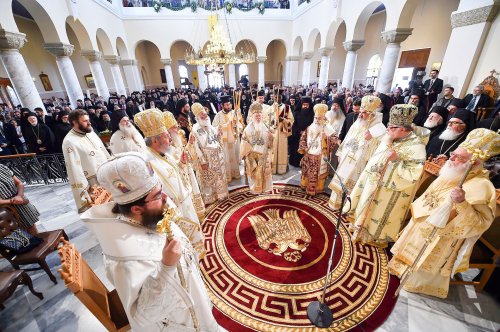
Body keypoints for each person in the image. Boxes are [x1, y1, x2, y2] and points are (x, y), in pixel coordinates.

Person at [81, 152, 221, 331]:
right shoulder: (124, 259)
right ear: (137, 208)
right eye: (158, 196)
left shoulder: (151, 217)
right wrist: (167, 267)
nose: (165, 198)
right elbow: (143, 318)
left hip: (195, 305)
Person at [388, 128, 499, 298]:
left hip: (443, 236)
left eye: (458, 157)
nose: (451, 158)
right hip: (423, 222)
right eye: (453, 154)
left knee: (422, 266)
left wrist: (462, 203)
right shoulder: (452, 170)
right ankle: (400, 267)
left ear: (475, 163)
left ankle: (418, 283)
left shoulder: (482, 186)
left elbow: (480, 223)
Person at [347, 104, 426, 247]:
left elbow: (414, 173)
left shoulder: (416, 146)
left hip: (388, 191)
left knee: (376, 214)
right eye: (388, 126)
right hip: (371, 182)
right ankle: (357, 228)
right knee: (364, 207)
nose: (387, 130)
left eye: (391, 127)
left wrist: (396, 161)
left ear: (402, 129)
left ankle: (371, 237)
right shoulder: (390, 137)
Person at [134, 108, 205, 258]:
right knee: (184, 247)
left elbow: (174, 172)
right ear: (155, 140)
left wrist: (181, 163)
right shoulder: (147, 162)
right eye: (166, 136)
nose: (171, 140)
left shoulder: (163, 153)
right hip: (176, 211)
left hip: (185, 203)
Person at [328, 96, 385, 209]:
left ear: (372, 115)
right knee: (340, 181)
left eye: (364, 113)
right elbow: (347, 138)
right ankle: (336, 203)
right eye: (360, 112)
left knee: (353, 187)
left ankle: (348, 207)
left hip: (360, 164)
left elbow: (377, 150)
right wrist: (340, 153)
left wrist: (371, 139)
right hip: (346, 158)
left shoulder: (379, 129)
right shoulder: (358, 123)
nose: (360, 115)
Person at [62, 109, 111, 213]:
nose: (89, 123)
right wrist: (84, 191)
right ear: (75, 123)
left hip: (107, 175)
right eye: (85, 121)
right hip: (93, 183)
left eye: (88, 120)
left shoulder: (90, 131)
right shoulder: (69, 142)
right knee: (104, 211)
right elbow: (74, 169)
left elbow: (103, 150)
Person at [163, 110, 205, 219]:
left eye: (177, 126)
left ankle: (198, 214)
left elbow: (186, 151)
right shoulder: (165, 146)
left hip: (187, 170)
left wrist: (190, 143)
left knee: (194, 192)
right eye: (174, 127)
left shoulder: (180, 135)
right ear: (167, 131)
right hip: (179, 175)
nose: (177, 128)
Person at [188, 102, 229, 204]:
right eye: (202, 116)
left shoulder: (210, 126)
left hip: (218, 157)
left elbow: (216, 139)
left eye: (206, 115)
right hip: (207, 159)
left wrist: (219, 134)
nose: (205, 117)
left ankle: (221, 195)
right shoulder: (195, 130)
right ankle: (211, 198)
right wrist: (202, 161)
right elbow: (195, 147)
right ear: (197, 118)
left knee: (219, 177)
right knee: (209, 180)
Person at [298, 103, 338, 196]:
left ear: (324, 118)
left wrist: (326, 138)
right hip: (309, 154)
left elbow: (335, 139)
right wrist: (304, 148)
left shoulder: (328, 128)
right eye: (315, 118)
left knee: (317, 174)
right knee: (308, 172)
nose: (317, 120)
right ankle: (305, 186)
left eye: (319, 118)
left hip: (320, 156)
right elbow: (303, 137)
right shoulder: (311, 126)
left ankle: (316, 189)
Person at [240, 102, 274, 194]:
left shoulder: (266, 126)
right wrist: (250, 154)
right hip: (253, 156)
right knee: (255, 175)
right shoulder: (247, 129)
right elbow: (243, 142)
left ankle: (266, 188)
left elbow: (271, 143)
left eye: (259, 115)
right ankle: (255, 190)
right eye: (256, 116)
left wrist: (271, 138)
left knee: (265, 174)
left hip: (264, 155)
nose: (258, 117)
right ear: (252, 116)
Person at [0, 164, 39, 234]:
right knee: (18, 234)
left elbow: (19, 183)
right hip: (7, 210)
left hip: (21, 202)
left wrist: (19, 196)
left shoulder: (2, 167)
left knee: (31, 226)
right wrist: (13, 200)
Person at [212, 95, 242, 182]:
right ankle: (228, 175)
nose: (228, 106)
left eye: (229, 104)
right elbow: (214, 127)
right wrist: (225, 126)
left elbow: (240, 124)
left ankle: (235, 173)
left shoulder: (234, 113)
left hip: (234, 140)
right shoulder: (218, 115)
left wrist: (237, 127)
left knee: (235, 156)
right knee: (226, 158)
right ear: (222, 106)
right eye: (226, 105)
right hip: (224, 141)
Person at [268, 89, 294, 174]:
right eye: (275, 97)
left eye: (279, 97)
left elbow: (291, 120)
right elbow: (266, 121)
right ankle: (273, 168)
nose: (277, 98)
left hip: (283, 131)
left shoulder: (286, 107)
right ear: (273, 97)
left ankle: (281, 169)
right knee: (273, 149)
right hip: (274, 131)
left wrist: (283, 120)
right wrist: (274, 121)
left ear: (281, 97)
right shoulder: (270, 108)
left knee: (282, 149)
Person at [289, 96, 314, 167]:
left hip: (308, 135)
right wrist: (299, 131)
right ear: (301, 105)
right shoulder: (296, 113)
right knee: (295, 149)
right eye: (304, 105)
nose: (305, 106)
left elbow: (313, 124)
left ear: (309, 105)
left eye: (307, 105)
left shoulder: (312, 114)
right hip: (296, 135)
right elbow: (293, 124)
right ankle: (295, 162)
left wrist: (306, 131)